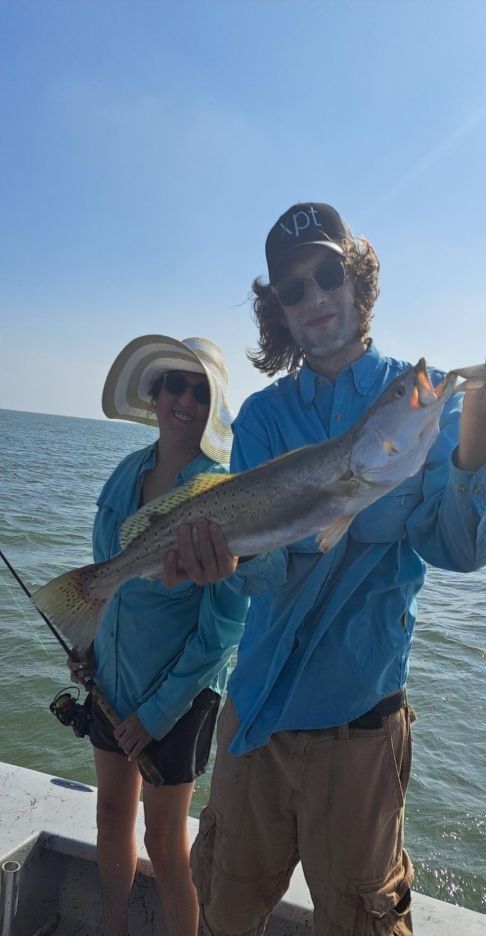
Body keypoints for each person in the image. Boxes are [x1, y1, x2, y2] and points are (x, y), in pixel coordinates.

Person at [162, 203, 486, 936]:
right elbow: (258, 581)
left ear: (357, 280)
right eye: (293, 288)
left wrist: (471, 450)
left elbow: (459, 548)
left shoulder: (416, 399)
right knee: (225, 912)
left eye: (327, 274)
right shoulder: (264, 418)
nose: (314, 298)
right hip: (256, 728)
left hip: (361, 736)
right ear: (277, 309)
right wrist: (230, 558)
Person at [68, 334, 248, 936]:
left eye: (201, 390)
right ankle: (112, 927)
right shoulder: (127, 472)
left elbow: (222, 628)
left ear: (213, 405)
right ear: (155, 392)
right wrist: (87, 646)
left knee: (166, 841)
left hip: (179, 700)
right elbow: (102, 576)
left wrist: (156, 712)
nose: (186, 400)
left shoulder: (222, 490)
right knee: (111, 812)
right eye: (176, 383)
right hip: (110, 680)